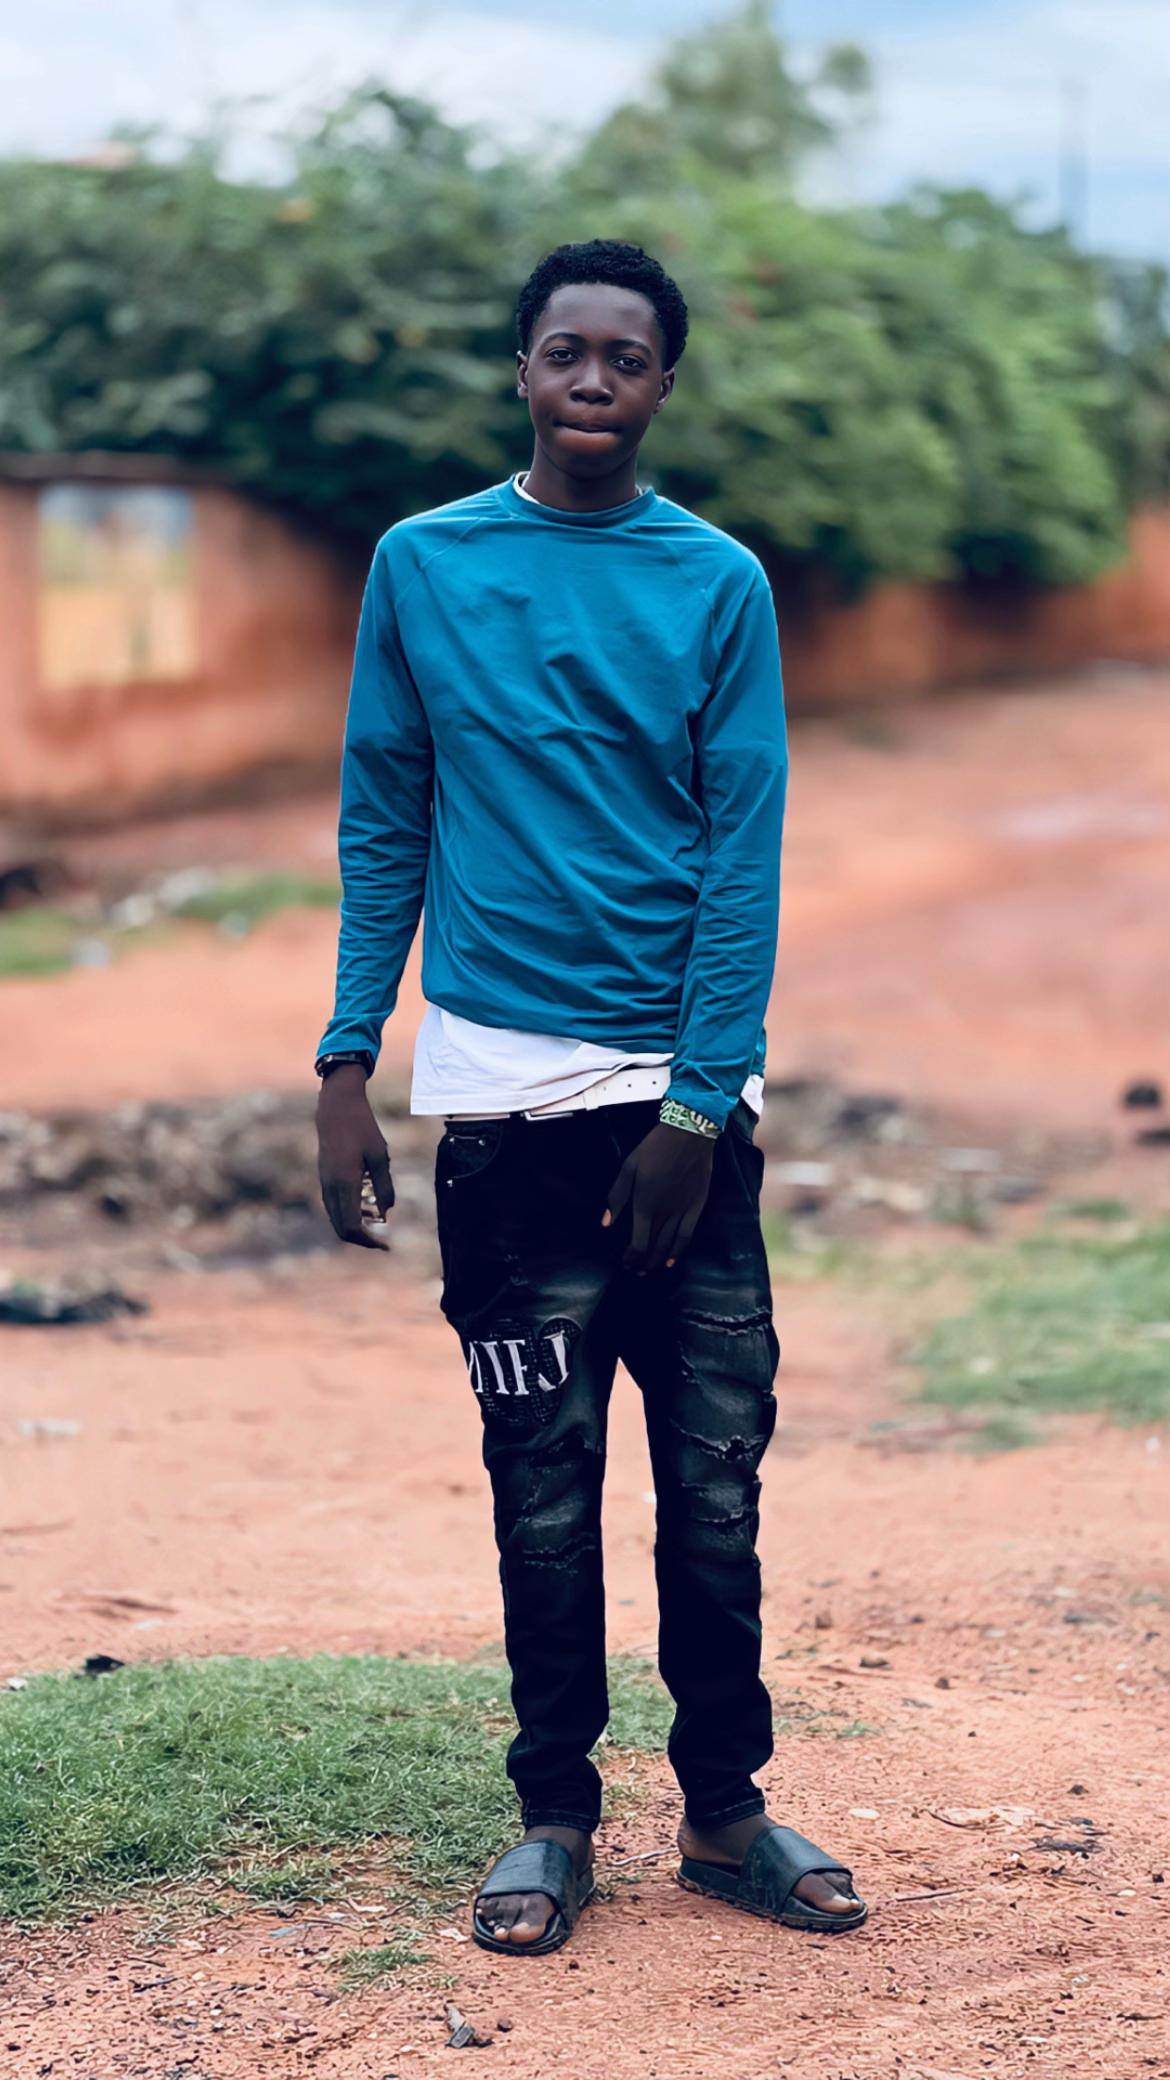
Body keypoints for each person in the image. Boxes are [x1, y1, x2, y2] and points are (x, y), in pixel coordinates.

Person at [315, 239, 866, 1954]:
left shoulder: (716, 582)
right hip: (500, 1114)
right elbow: (385, 812)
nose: (594, 377)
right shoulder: (424, 564)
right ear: (525, 368)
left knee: (714, 1492)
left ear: (661, 385)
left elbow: (741, 857)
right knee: (540, 1491)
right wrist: (347, 1057)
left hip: (684, 1125)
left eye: (627, 355)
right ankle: (552, 1815)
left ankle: (725, 1812)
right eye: (567, 348)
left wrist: (697, 1112)